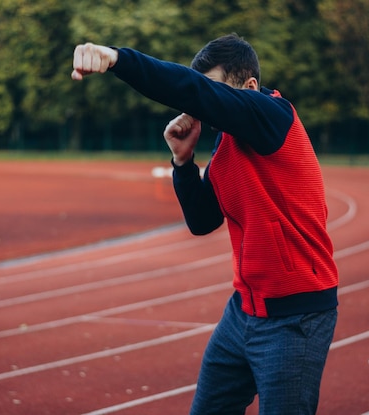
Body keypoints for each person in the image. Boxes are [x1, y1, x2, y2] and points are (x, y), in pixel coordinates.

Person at [72, 34, 338, 415]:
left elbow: (191, 90)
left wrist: (117, 59)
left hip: (295, 317)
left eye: (213, 92)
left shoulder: (272, 115)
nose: (204, 105)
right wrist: (183, 162)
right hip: (243, 311)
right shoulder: (227, 145)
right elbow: (202, 220)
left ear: (248, 87)